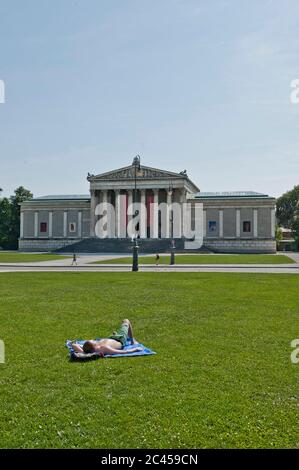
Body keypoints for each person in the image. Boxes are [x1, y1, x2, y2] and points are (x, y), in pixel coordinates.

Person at [71, 319, 142, 356]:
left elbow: (74, 345)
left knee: (114, 333)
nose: (94, 340)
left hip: (112, 338)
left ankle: (115, 334)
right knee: (126, 321)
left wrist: (82, 352)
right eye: (93, 341)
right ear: (95, 346)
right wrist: (134, 350)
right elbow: (121, 352)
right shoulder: (103, 348)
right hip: (120, 339)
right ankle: (132, 340)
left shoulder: (91, 348)